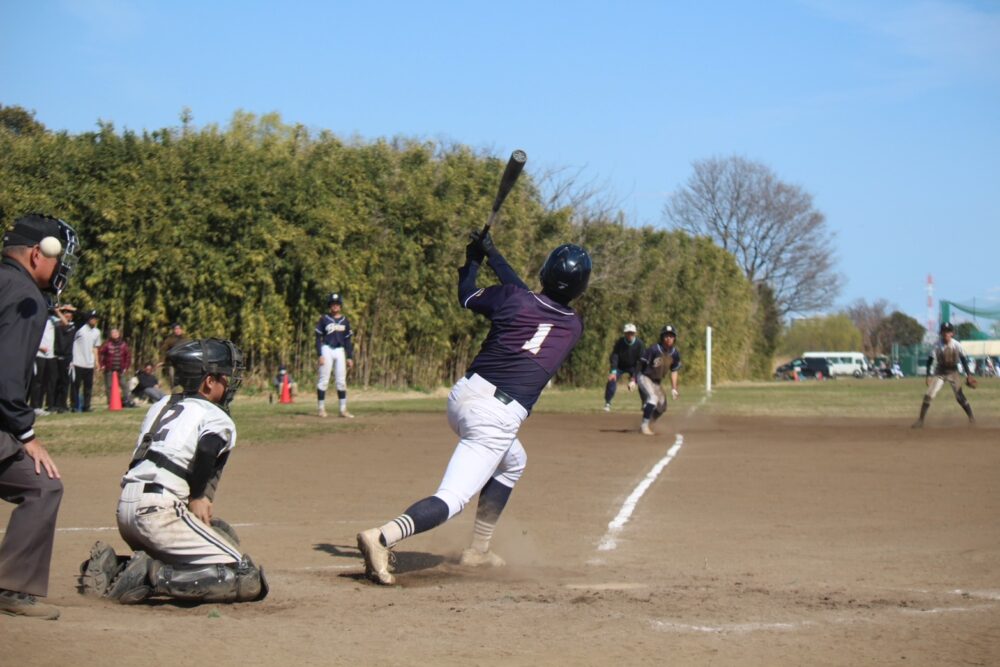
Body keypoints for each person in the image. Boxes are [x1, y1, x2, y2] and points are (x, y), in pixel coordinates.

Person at [356, 231, 591, 586]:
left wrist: (475, 261)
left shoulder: (516, 300)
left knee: (513, 462)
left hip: (464, 396)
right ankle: (383, 537)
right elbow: (533, 297)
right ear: (580, 288)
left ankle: (479, 549)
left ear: (544, 272)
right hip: (495, 419)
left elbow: (470, 295)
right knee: (452, 500)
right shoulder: (572, 325)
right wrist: (491, 255)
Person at [78, 339, 269, 604]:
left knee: (214, 540)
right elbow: (206, 450)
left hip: (126, 511)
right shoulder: (216, 415)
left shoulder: (161, 405)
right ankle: (145, 576)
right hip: (159, 513)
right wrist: (198, 496)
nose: (231, 383)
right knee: (245, 577)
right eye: (225, 377)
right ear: (208, 382)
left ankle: (116, 567)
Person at [0, 213, 79, 620]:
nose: (63, 266)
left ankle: (13, 586)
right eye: (59, 257)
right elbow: (6, 373)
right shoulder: (26, 295)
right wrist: (27, 434)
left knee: (40, 487)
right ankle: (13, 587)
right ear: (36, 254)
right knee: (42, 483)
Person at [912, 322, 976, 428]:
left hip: (953, 372)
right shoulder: (937, 345)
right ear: (941, 333)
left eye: (948, 331)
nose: (946, 333)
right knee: (929, 395)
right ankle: (920, 420)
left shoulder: (956, 345)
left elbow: (963, 360)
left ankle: (971, 418)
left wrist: (968, 374)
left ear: (952, 333)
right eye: (944, 331)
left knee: (959, 396)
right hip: (940, 372)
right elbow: (930, 360)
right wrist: (928, 375)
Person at [636, 325, 682, 436]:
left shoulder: (675, 353)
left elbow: (674, 371)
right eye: (666, 336)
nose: (669, 338)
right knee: (653, 398)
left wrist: (674, 388)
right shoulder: (654, 349)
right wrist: (633, 380)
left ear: (674, 338)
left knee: (662, 407)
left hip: (656, 382)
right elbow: (640, 364)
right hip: (644, 377)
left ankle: (649, 422)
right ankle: (644, 426)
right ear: (662, 337)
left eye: (671, 336)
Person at [315, 293, 355, 418]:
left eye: (337, 304)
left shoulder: (345, 321)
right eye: (333, 304)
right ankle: (321, 409)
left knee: (341, 381)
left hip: (340, 351)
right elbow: (317, 338)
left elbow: (348, 340)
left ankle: (343, 410)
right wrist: (320, 354)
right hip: (327, 349)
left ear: (340, 306)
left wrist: (350, 357)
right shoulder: (324, 319)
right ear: (329, 306)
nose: (335, 306)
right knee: (324, 380)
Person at [603, 323, 644, 412]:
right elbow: (615, 356)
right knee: (611, 380)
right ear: (624, 334)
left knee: (642, 380)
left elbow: (640, 361)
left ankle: (644, 403)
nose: (630, 335)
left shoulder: (639, 344)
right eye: (628, 333)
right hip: (620, 367)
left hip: (633, 367)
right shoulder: (620, 342)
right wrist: (613, 370)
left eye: (632, 333)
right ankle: (607, 403)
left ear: (635, 334)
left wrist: (634, 378)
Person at [71, 310, 101, 412]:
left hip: (89, 363)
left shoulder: (97, 332)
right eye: (92, 318)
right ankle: (74, 406)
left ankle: (86, 406)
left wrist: (97, 362)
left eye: (95, 318)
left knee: (88, 387)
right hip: (78, 362)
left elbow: (95, 348)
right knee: (76, 386)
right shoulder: (80, 329)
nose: (94, 320)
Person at [98, 327, 135, 408]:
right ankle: (111, 402)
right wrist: (102, 365)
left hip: (121, 369)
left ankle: (127, 401)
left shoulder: (123, 344)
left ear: (119, 334)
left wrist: (126, 367)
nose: (115, 334)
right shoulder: (107, 344)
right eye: (113, 333)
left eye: (116, 333)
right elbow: (101, 354)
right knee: (109, 386)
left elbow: (128, 356)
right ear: (110, 335)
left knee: (124, 385)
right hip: (109, 369)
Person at [29, 311, 57, 415]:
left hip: (50, 355)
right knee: (37, 381)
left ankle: (40, 406)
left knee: (46, 382)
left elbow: (65, 323)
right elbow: (31, 336)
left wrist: (58, 311)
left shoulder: (53, 320)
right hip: (39, 354)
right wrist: (40, 347)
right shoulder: (37, 320)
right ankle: (34, 406)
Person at [51, 304, 76, 413]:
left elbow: (65, 323)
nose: (66, 315)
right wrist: (57, 309)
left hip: (67, 357)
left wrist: (60, 311)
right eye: (65, 313)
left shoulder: (73, 326)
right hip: (55, 356)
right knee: (54, 382)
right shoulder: (55, 325)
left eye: (68, 313)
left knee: (65, 382)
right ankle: (53, 404)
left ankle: (62, 405)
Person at [158, 322, 190, 390]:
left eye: (179, 328)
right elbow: (163, 350)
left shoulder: (186, 339)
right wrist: (162, 360)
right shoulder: (169, 340)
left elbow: (190, 349)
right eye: (176, 329)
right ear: (173, 330)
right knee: (172, 377)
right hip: (172, 363)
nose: (178, 330)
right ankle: (173, 391)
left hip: (183, 363)